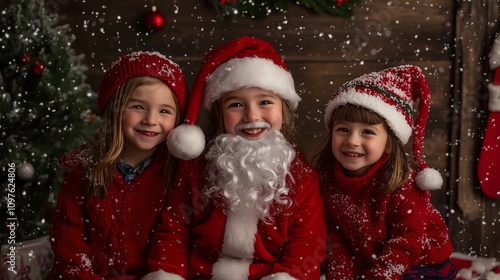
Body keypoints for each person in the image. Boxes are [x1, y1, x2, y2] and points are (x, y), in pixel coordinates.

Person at [143, 36, 327, 280]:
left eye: (264, 102)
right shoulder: (195, 169)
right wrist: (168, 274)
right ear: (220, 113)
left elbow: (306, 244)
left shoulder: (301, 176)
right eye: (236, 105)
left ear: (283, 109)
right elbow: (173, 232)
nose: (251, 115)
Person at [45, 51, 189, 280]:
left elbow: (175, 242)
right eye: (138, 107)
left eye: (164, 111)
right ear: (115, 109)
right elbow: (68, 243)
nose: (151, 120)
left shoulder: (177, 173)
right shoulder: (84, 168)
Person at [314, 65, 456, 279]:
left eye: (367, 132)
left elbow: (406, 242)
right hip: (369, 260)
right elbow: (337, 240)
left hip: (419, 262)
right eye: (343, 129)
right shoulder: (328, 181)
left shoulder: (402, 184)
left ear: (389, 144)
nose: (352, 141)